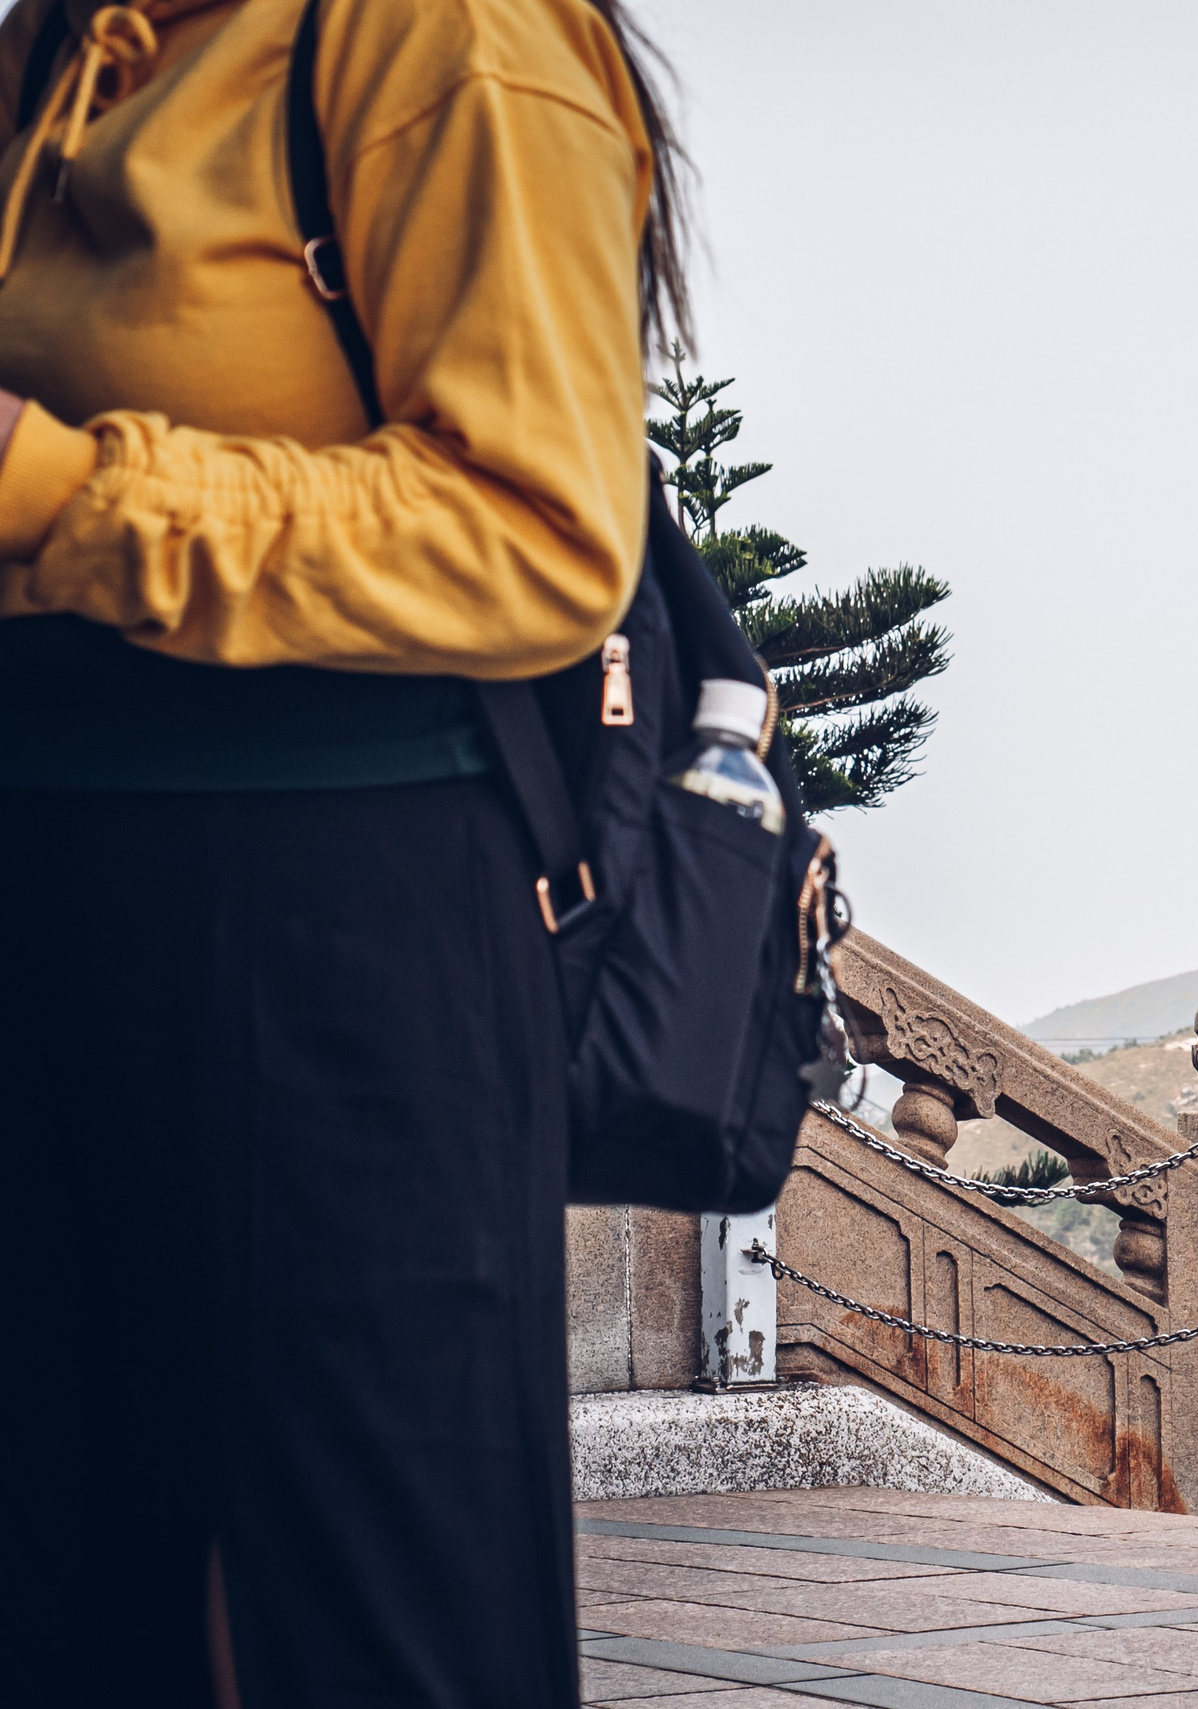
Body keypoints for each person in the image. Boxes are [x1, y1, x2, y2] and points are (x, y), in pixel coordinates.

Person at [0, 0, 684, 1702]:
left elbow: (537, 536)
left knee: (359, 1604)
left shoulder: (441, 33)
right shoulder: (63, 47)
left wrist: (56, 489)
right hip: (57, 894)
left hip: (329, 916)